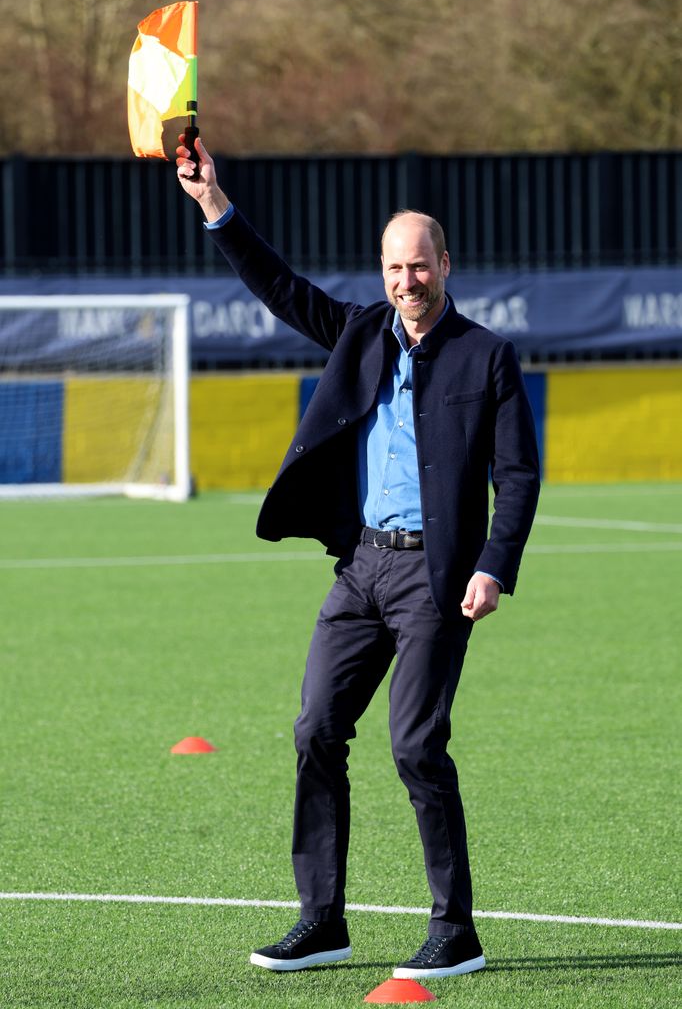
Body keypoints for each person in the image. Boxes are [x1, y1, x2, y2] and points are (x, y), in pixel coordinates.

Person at [177, 135, 540, 980]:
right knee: (314, 730)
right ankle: (322, 920)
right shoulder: (360, 333)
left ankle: (456, 931)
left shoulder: (488, 355)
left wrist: (494, 563)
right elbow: (278, 287)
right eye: (392, 269)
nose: (406, 282)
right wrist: (212, 204)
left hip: (438, 579)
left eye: (419, 267)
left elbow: (518, 473)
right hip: (360, 571)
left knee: (415, 745)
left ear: (446, 264)